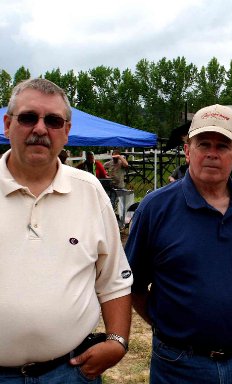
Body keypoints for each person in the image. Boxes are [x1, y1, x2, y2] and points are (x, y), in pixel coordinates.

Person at [125, 104, 232, 383]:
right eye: (203, 144)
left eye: (223, 146)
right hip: (178, 365)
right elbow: (132, 285)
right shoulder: (155, 208)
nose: (212, 153)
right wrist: (169, 326)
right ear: (187, 151)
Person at [0, 78, 133, 383]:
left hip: (70, 371)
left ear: (67, 132)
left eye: (53, 121)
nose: (40, 129)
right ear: (8, 125)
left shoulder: (90, 191)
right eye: (28, 117)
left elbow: (113, 279)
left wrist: (117, 342)